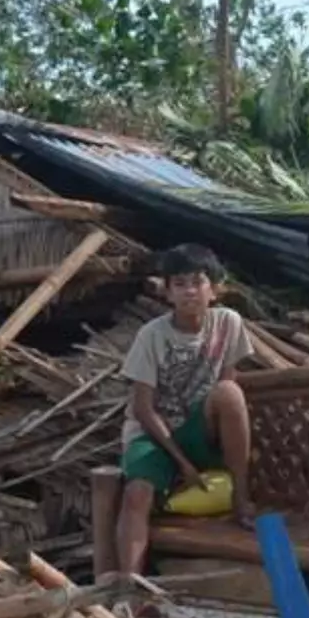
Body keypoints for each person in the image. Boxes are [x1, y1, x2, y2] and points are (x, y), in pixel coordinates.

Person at [114, 244, 257, 577]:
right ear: (167, 292)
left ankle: (242, 496)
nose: (190, 291)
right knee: (136, 494)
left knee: (230, 392)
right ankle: (130, 583)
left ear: (215, 289)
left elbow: (226, 385)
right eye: (179, 284)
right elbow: (143, 409)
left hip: (199, 427)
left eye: (198, 282)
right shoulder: (151, 336)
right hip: (154, 433)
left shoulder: (228, 323)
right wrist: (183, 463)